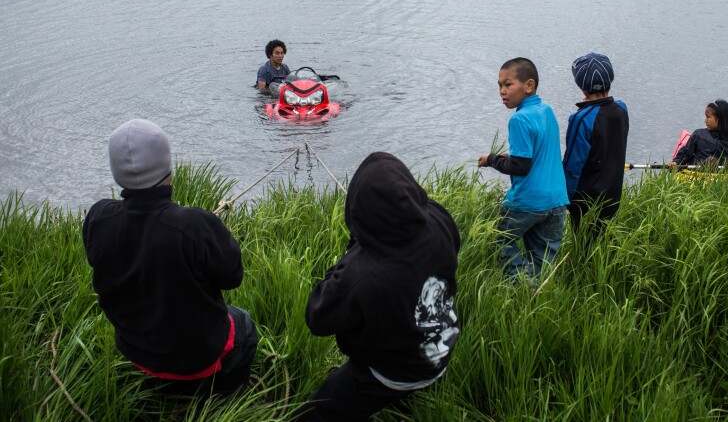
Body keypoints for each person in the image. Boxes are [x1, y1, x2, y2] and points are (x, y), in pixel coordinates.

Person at [82, 119, 258, 396]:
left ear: (117, 173)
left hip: (134, 347)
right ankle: (228, 395)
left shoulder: (97, 217)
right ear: (168, 166)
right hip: (197, 357)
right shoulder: (194, 225)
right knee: (245, 325)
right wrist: (214, 232)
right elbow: (232, 277)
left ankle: (161, 385)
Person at [295, 152, 461, 421]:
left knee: (313, 414)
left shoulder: (361, 274)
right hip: (442, 345)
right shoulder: (438, 219)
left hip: (393, 370)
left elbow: (318, 317)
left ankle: (397, 390)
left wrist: (353, 251)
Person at [478, 57, 569, 278]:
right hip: (557, 201)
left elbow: (520, 167)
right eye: (499, 85)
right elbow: (538, 150)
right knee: (542, 259)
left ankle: (519, 285)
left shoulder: (519, 120)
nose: (502, 91)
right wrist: (510, 154)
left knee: (499, 238)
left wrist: (491, 159)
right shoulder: (546, 111)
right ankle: (535, 294)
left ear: (529, 85)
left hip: (528, 201)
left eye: (508, 84)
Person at [562, 52, 629, 243]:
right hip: (613, 195)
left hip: (585, 201)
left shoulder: (581, 118)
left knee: (583, 248)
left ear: (582, 87)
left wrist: (565, 199)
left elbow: (572, 165)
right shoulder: (622, 109)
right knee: (604, 247)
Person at [670, 99, 728, 169]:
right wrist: (676, 162)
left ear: (720, 119)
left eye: (708, 117)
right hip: (700, 171)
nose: (705, 121)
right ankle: (708, 165)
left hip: (725, 174)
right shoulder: (698, 135)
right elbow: (684, 154)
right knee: (710, 161)